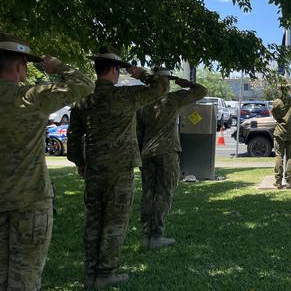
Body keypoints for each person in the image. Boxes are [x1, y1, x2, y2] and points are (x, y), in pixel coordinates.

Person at [0, 32, 94, 290]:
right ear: (20, 66)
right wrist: (59, 67)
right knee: (26, 276)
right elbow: (84, 84)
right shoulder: (32, 97)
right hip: (30, 201)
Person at [67, 47, 166, 289]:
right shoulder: (125, 97)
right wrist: (141, 73)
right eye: (119, 70)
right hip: (120, 170)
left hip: (94, 169)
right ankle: (106, 272)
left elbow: (73, 135)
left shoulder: (84, 101)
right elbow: (161, 87)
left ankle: (91, 273)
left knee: (93, 220)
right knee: (115, 221)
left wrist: (80, 161)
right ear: (114, 69)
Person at [137, 68, 207, 249]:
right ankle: (156, 235)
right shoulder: (173, 99)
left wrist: (139, 154)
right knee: (164, 192)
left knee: (148, 192)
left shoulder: (142, 103)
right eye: (168, 80)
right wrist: (188, 84)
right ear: (166, 82)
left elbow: (138, 133)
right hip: (167, 152)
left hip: (146, 153)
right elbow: (201, 92)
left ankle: (146, 233)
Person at [270, 82, 291, 189]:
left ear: (280, 90)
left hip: (279, 132)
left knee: (279, 155)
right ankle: (289, 180)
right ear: (288, 90)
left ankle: (278, 181)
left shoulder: (276, 103)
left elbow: (275, 116)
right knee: (290, 156)